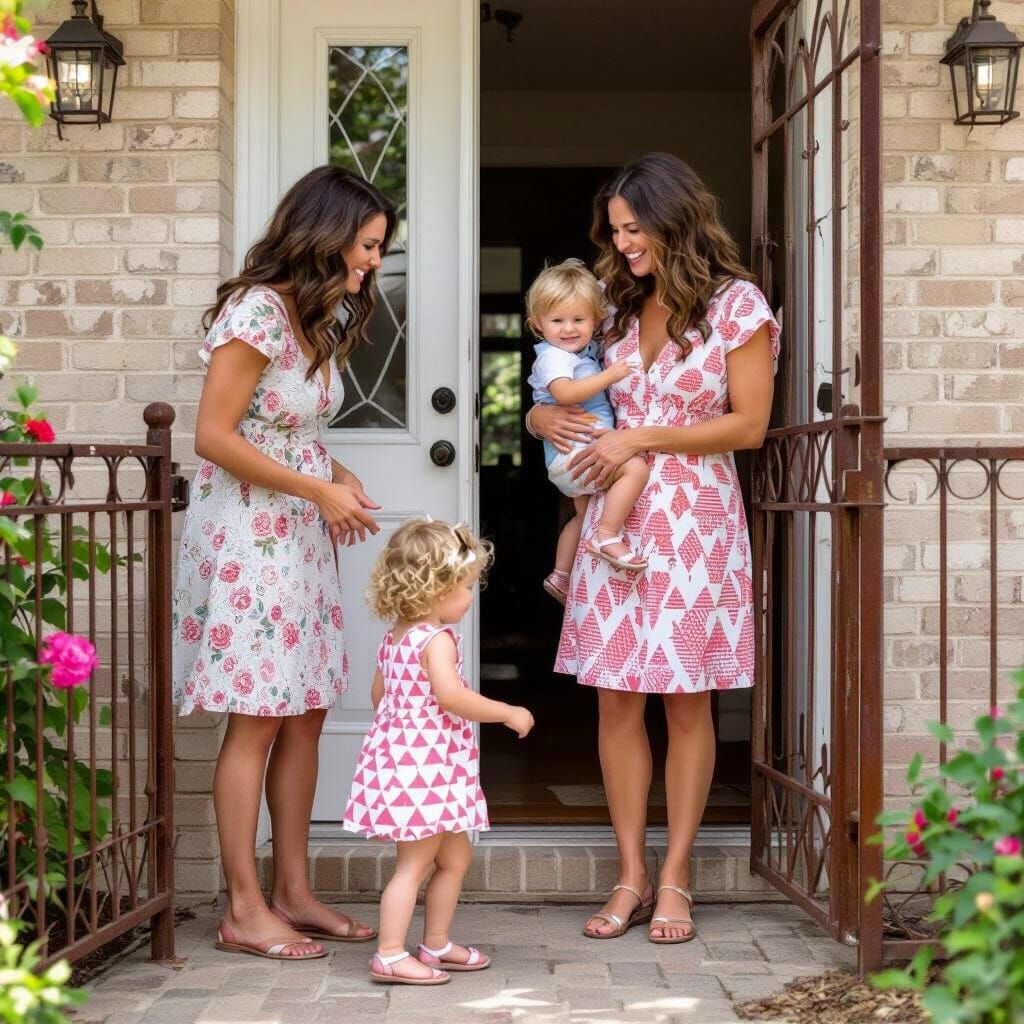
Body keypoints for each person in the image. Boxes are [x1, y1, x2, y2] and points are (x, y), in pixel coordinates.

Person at [527, 153, 780, 943]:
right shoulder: (610, 311)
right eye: (616, 232)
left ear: (675, 221)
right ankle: (630, 873)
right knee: (615, 700)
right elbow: (558, 387)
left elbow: (748, 424)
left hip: (697, 519)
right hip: (615, 520)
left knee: (687, 701)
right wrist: (538, 420)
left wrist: (647, 434)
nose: (624, 244)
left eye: (635, 230)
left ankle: (676, 882)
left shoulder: (737, 306)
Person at [172, 165, 396, 960]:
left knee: (303, 713)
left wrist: (336, 477)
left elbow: (285, 429)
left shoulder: (318, 318)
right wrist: (314, 485)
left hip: (296, 532)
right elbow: (215, 436)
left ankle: (294, 891)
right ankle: (243, 906)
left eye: (376, 250)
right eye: (366, 246)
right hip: (247, 538)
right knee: (259, 716)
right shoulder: (257, 311)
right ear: (326, 232)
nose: (370, 262)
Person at [342, 519, 534, 984]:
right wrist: (505, 711)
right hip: (424, 769)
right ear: (435, 590)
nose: (471, 596)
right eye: (465, 587)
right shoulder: (438, 640)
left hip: (416, 764)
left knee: (454, 858)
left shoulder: (396, 637)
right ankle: (390, 953)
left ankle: (436, 943)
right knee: (416, 864)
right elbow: (450, 697)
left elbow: (378, 697)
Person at [525, 259, 650, 603]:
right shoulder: (554, 357)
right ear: (537, 324)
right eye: (557, 321)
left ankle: (561, 574)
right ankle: (607, 535)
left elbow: (601, 299)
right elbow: (564, 393)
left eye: (579, 320)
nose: (569, 329)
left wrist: (603, 279)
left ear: (594, 321)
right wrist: (611, 375)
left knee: (582, 515)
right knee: (635, 468)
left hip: (566, 458)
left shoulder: (580, 349)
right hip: (576, 452)